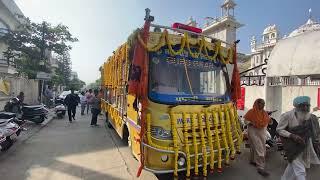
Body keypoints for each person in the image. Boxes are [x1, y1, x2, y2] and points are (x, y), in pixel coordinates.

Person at [277, 96, 320, 180]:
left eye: (307, 105)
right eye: (303, 105)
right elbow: (279, 129)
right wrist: (292, 136)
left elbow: (315, 132)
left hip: (305, 145)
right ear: (296, 106)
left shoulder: (310, 117)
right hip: (292, 146)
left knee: (294, 166)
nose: (305, 108)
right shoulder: (287, 115)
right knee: (300, 170)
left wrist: (316, 140)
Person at [243, 98, 270, 177]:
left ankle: (252, 160)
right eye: (262, 103)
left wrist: (268, 120)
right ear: (257, 104)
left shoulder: (264, 113)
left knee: (258, 147)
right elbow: (245, 121)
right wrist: (251, 123)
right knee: (259, 148)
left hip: (262, 132)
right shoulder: (251, 112)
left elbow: (267, 121)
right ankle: (260, 167)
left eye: (264, 104)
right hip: (253, 131)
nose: (263, 105)